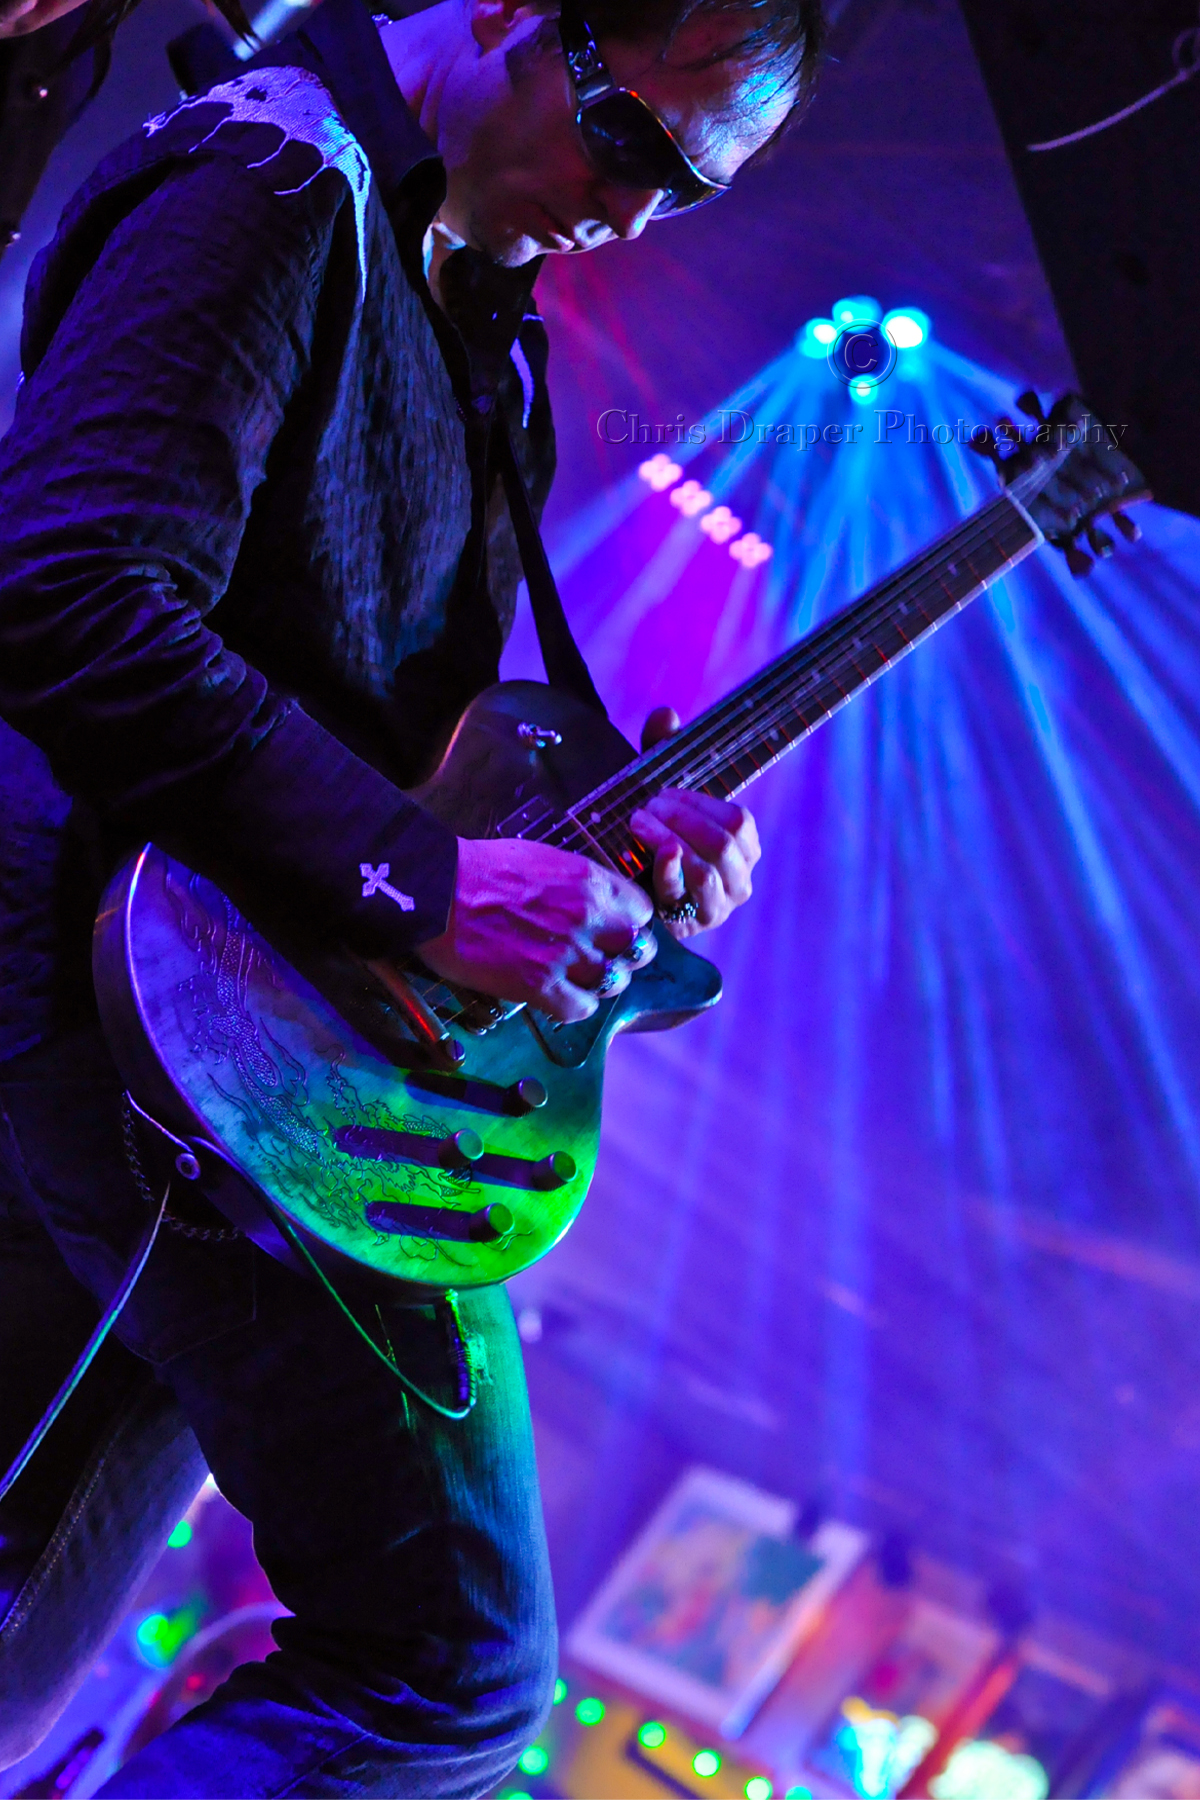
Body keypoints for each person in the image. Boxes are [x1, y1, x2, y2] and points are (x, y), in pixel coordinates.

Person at [0, 0, 822, 1791]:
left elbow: (365, 727)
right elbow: (69, 590)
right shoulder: (279, 179)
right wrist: (429, 878)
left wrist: (591, 841)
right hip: (103, 984)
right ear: (522, 16)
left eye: (693, 187)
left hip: (225, 1038)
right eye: (631, 136)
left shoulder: (477, 330)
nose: (639, 206)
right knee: (448, 1668)